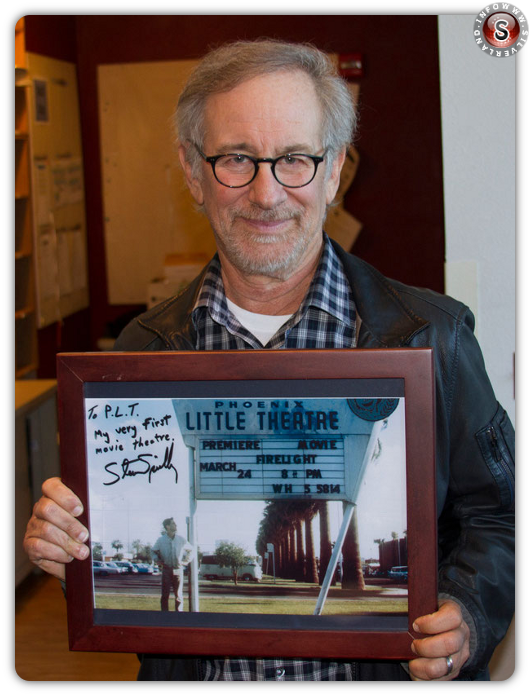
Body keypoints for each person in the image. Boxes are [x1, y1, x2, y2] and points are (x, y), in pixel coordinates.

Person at [23, 39, 514, 682]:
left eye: (294, 159)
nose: (265, 192)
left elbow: (501, 515)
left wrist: (468, 612)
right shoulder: (139, 355)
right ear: (193, 173)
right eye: (235, 158)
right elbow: (122, 572)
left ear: (334, 168)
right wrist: (73, 551)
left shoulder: (435, 339)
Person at [152, 518, 193, 612]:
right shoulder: (161, 540)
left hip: (178, 569)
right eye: (173, 523)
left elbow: (191, 550)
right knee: (165, 594)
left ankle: (178, 616)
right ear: (167, 526)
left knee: (178, 595)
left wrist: (185, 562)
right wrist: (157, 560)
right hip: (166, 569)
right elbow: (153, 551)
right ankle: (165, 616)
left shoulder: (181, 539)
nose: (176, 525)